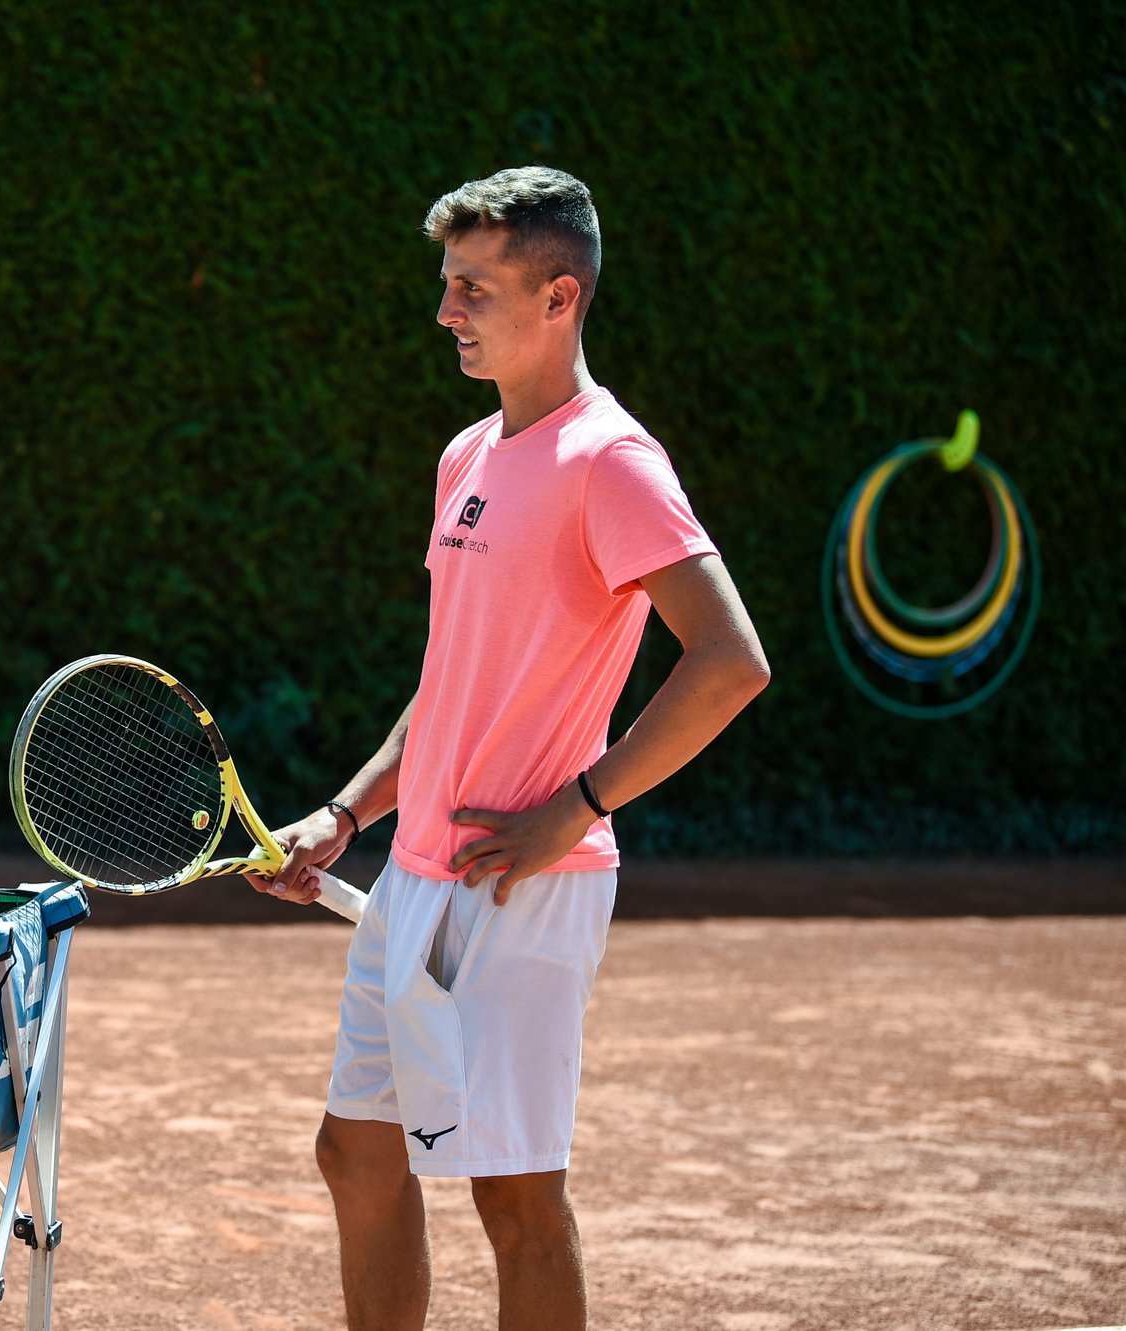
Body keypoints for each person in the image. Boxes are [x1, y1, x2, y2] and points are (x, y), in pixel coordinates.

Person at [259, 167, 771, 1331]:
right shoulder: (466, 454)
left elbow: (730, 660)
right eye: (446, 285)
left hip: (523, 889)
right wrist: (344, 815)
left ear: (559, 297)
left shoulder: (611, 459)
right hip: (414, 879)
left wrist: (578, 803)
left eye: (471, 289)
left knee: (516, 1199)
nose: (445, 311)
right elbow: (447, 680)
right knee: (355, 1153)